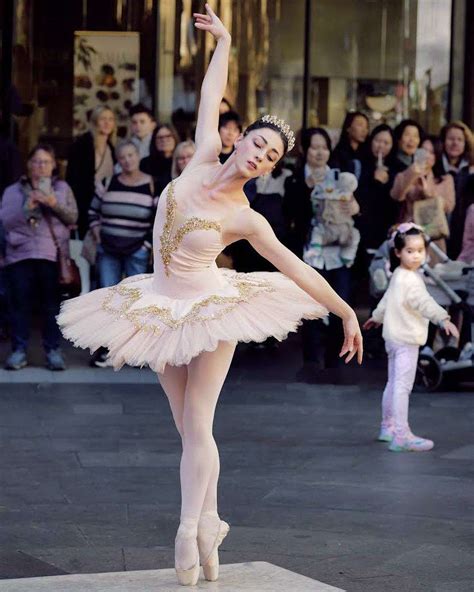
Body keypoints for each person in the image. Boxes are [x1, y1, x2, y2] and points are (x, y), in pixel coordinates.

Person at [57, 6, 362, 586]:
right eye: (257, 143)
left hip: (211, 311)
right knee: (186, 427)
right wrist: (223, 40)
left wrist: (345, 309)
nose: (259, 155)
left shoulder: (245, 218)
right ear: (239, 137)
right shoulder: (199, 157)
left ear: (270, 168)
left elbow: (295, 265)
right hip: (153, 308)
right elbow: (210, 91)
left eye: (271, 157)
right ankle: (215, 519)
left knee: (198, 421)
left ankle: (188, 528)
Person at [363, 224, 459, 452]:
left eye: (420, 250)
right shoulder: (412, 280)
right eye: (409, 251)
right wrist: (443, 318)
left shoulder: (398, 275)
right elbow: (423, 303)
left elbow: (387, 299)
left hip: (393, 338)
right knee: (402, 387)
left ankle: (387, 427)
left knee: (393, 383)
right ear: (397, 253)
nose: (416, 255)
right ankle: (401, 434)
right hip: (406, 339)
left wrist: (377, 317)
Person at [287, 127, 360, 374]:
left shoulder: (340, 178)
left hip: (338, 253)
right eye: (314, 147)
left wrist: (352, 205)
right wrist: (307, 189)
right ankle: (311, 359)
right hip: (311, 252)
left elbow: (354, 212)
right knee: (311, 303)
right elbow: (293, 215)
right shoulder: (294, 178)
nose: (319, 153)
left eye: (324, 147)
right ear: (305, 150)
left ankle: (337, 358)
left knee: (339, 300)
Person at [0, 144, 78, 370]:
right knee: (19, 305)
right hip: (19, 255)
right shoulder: (12, 191)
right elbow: (5, 221)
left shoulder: (62, 188)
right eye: (37, 162)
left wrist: (54, 204)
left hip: (50, 255)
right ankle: (19, 350)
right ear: (29, 165)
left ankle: (53, 350)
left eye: (46, 162)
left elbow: (73, 217)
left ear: (53, 166)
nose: (41, 167)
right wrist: (27, 207)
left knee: (51, 306)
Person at [391, 135, 455, 262]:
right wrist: (413, 173)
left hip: (434, 236)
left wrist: (429, 194)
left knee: (433, 276)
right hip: (409, 234)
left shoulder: (445, 179)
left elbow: (449, 206)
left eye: (431, 152)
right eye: (423, 150)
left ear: (437, 156)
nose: (427, 155)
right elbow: (397, 196)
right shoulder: (405, 174)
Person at [66, 105, 117, 239]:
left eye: (110, 119)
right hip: (85, 205)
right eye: (103, 119)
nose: (107, 123)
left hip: (105, 206)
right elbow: (72, 181)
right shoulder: (81, 145)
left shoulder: (111, 147)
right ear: (95, 121)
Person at [357, 124, 399, 251]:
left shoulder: (397, 168)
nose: (381, 146)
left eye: (386, 143)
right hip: (364, 227)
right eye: (377, 141)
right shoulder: (359, 164)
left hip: (388, 226)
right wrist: (374, 180)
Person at [436, 121, 474, 259]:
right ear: (443, 141)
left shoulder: (470, 171)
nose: (455, 143)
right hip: (438, 231)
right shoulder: (435, 167)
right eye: (451, 139)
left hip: (463, 233)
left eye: (460, 140)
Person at [141, 123, 179, 194]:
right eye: (160, 137)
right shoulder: (145, 163)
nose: (164, 140)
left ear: (175, 138)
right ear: (154, 141)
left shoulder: (182, 161)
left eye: (168, 136)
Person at [330, 111, 369, 180]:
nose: (364, 130)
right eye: (360, 125)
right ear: (348, 128)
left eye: (366, 127)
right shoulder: (338, 153)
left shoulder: (367, 153)